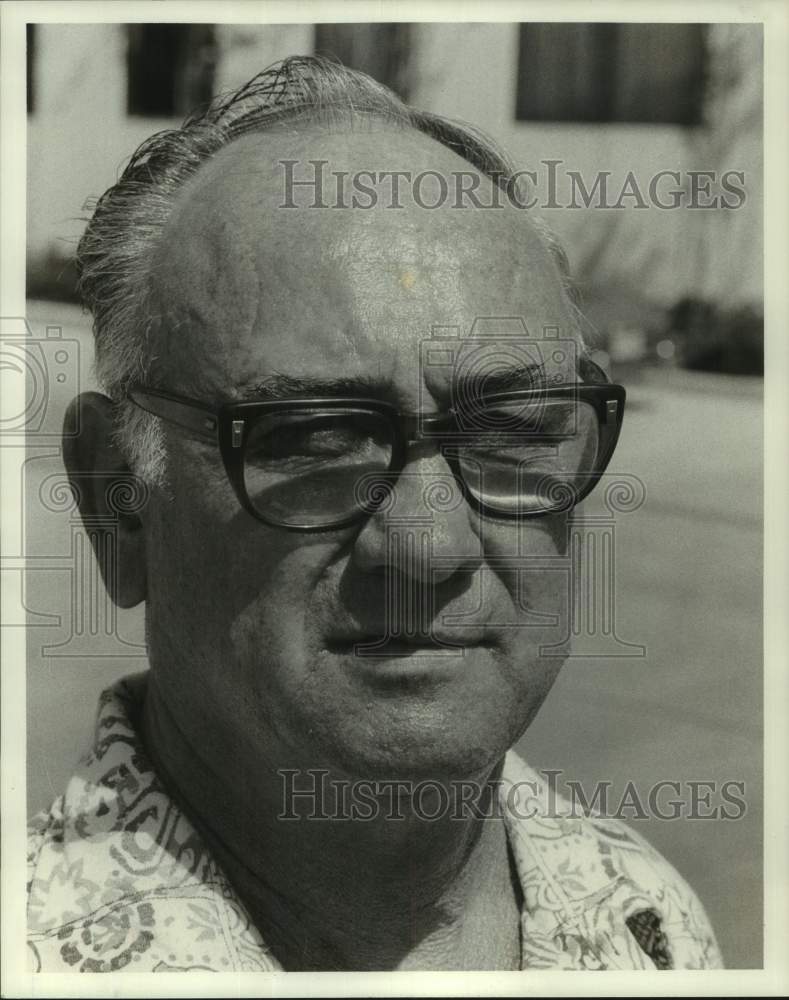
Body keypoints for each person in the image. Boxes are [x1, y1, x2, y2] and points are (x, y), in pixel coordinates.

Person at [27, 56, 721, 972]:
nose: (430, 546)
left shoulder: (651, 922)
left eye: (509, 427)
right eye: (315, 439)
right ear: (117, 500)